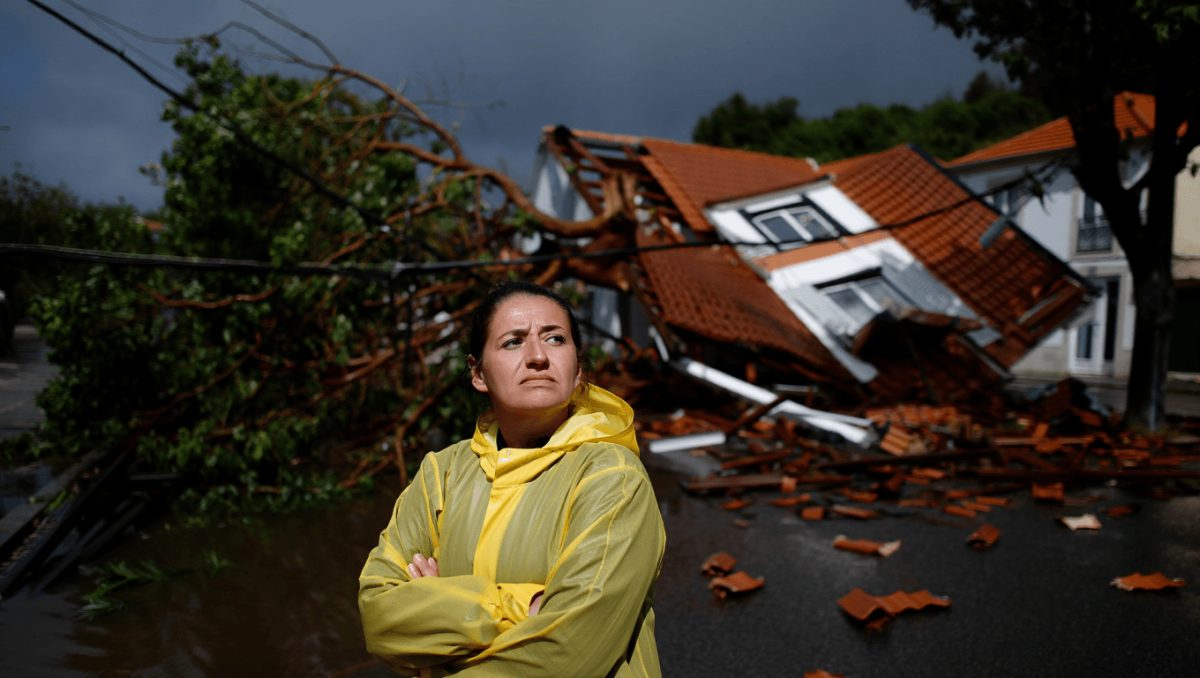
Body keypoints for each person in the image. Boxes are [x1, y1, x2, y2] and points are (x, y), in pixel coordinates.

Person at [358, 281, 666, 677]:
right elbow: (379, 618)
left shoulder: (612, 477)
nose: (537, 356)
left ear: (577, 370)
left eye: (555, 339)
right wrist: (521, 607)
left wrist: (438, 607)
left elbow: (568, 654)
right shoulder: (442, 473)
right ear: (478, 373)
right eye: (513, 342)